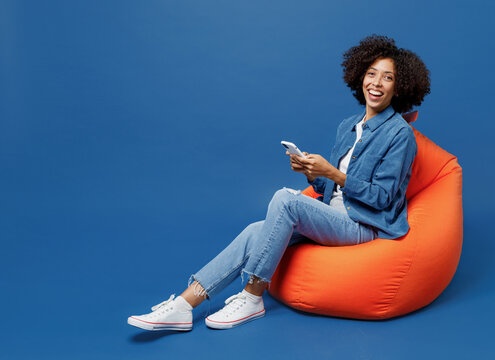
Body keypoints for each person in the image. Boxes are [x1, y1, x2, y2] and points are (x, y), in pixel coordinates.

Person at [127, 34, 431, 331]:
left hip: (364, 225)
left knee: (285, 200)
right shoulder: (348, 127)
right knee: (254, 231)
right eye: (371, 74)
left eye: (387, 78)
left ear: (399, 87)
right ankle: (184, 306)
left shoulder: (399, 134)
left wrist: (333, 173)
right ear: (359, 77)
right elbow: (332, 192)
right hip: (335, 218)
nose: (376, 84)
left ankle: (252, 296)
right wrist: (311, 173)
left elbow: (382, 198)